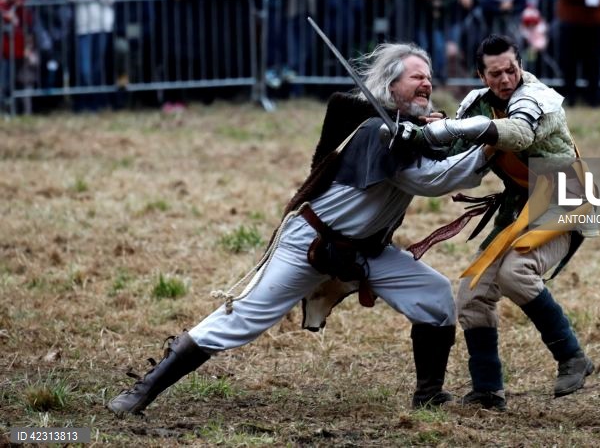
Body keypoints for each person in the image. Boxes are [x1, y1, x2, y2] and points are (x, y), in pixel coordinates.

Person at [107, 43, 498, 416]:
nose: (426, 84)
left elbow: (436, 152)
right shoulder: (374, 131)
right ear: (391, 85)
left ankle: (428, 396)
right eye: (415, 77)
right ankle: (144, 390)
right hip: (310, 243)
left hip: (364, 250)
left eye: (428, 77)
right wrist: (488, 148)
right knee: (241, 318)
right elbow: (431, 181)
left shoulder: (414, 131)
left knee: (433, 295)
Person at [427, 33, 596, 410]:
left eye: (511, 69)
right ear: (480, 74)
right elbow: (451, 149)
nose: (505, 79)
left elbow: (518, 135)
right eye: (495, 73)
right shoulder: (477, 104)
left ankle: (573, 358)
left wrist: (463, 128)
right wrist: (427, 128)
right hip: (519, 208)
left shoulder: (541, 100)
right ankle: (488, 391)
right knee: (471, 296)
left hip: (563, 201)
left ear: (520, 65)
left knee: (516, 272)